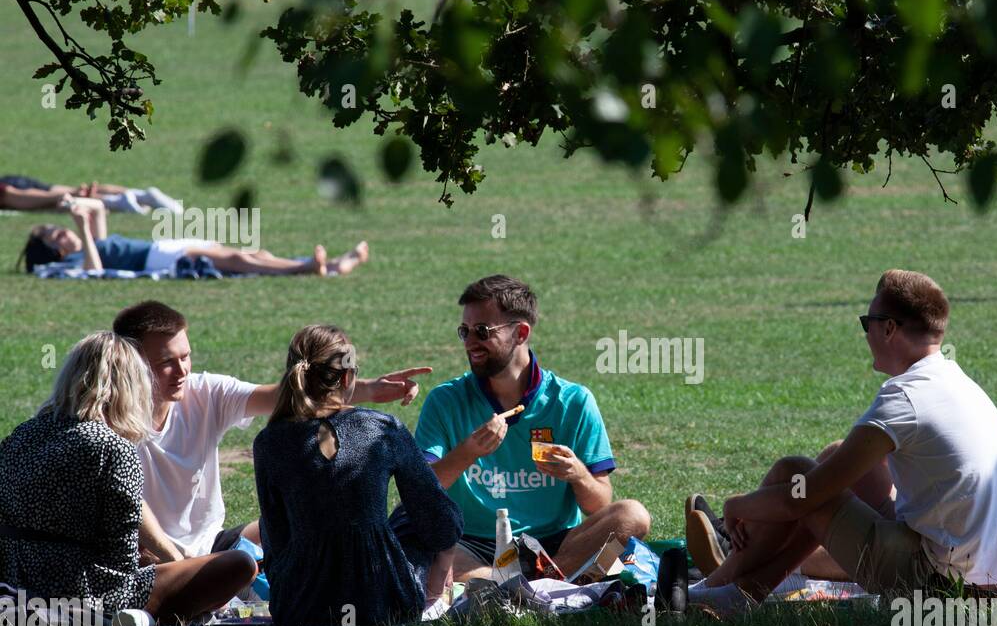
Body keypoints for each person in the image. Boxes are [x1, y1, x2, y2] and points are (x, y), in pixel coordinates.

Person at [688, 270, 997, 615]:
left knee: (797, 474)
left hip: (941, 587)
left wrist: (736, 506)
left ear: (889, 328)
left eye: (867, 323)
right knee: (836, 463)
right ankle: (740, 592)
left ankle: (711, 590)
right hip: (994, 583)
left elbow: (799, 497)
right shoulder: (957, 381)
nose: (866, 335)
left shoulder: (905, 397)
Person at [111, 301, 433, 564]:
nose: (182, 371)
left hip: (213, 548)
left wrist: (370, 389)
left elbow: (285, 393)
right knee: (236, 569)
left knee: (302, 525)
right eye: (166, 362)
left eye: (186, 356)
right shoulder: (108, 420)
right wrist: (172, 558)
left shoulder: (205, 393)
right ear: (132, 361)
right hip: (146, 553)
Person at [394, 275, 650, 581]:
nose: (470, 342)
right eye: (464, 331)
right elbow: (421, 492)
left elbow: (599, 504)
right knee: (435, 553)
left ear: (521, 332)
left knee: (633, 516)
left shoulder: (573, 401)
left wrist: (578, 474)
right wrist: (468, 452)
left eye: (482, 331)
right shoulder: (446, 400)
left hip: (555, 544)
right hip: (473, 542)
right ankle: (543, 585)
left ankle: (526, 581)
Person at [0, 332, 255, 626]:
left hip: (18, 580)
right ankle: (137, 618)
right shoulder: (112, 447)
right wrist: (168, 562)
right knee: (239, 564)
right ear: (131, 387)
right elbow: (119, 564)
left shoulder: (21, 435)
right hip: (86, 593)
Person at [253, 326, 463, 626]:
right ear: (349, 377)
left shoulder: (269, 442)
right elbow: (440, 522)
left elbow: (276, 534)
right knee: (423, 512)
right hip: (382, 601)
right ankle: (434, 599)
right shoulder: (382, 428)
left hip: (302, 606)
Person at [19, 199, 369, 276]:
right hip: (158, 259)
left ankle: (335, 265)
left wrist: (82, 207)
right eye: (55, 234)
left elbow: (99, 210)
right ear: (55, 251)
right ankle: (304, 269)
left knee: (252, 251)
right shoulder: (75, 259)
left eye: (58, 227)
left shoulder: (90, 241)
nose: (62, 230)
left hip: (164, 247)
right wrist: (80, 228)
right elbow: (94, 271)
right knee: (239, 260)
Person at [0, 174, 180, 215]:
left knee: (62, 199)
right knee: (59, 194)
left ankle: (118, 202)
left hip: (10, 189)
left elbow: (10, 194)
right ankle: (142, 196)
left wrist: (72, 194)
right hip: (12, 181)